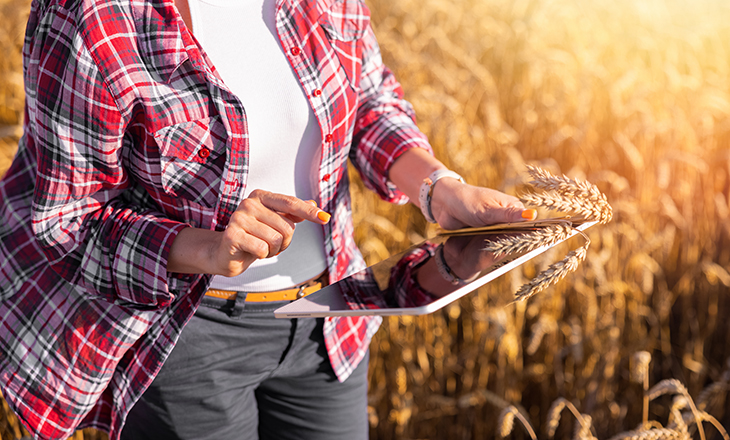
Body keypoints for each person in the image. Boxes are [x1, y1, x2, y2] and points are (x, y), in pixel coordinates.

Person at [0, 0, 535, 438]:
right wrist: (209, 249)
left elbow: (368, 100)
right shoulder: (96, 15)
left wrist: (438, 188)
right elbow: (66, 220)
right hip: (189, 336)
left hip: (331, 320)